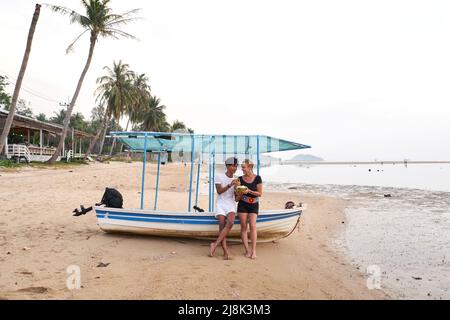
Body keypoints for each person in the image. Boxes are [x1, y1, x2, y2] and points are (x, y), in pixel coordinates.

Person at [209, 157, 239, 259]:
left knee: (230, 222)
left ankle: (215, 244)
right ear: (227, 166)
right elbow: (219, 191)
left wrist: (239, 191)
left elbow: (236, 199)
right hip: (221, 203)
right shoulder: (219, 176)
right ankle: (225, 251)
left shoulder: (237, 180)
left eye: (236, 166)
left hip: (230, 203)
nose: (235, 168)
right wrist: (230, 184)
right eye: (233, 166)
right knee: (222, 224)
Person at [236, 159, 262, 259]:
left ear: (250, 167)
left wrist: (249, 191)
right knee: (243, 227)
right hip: (242, 204)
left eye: (244, 167)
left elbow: (260, 194)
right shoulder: (239, 179)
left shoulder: (258, 178)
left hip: (254, 204)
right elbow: (237, 198)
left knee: (252, 226)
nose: (242, 169)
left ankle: (254, 251)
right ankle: (247, 250)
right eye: (241, 167)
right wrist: (240, 192)